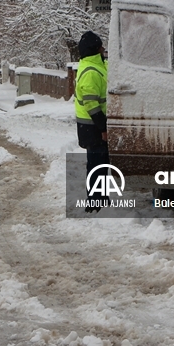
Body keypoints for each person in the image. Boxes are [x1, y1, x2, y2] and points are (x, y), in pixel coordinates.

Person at [74, 31, 109, 211]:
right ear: (95, 50)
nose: (104, 48)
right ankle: (95, 203)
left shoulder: (97, 65)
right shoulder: (90, 72)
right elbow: (91, 105)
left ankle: (101, 199)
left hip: (93, 126)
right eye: (101, 46)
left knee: (101, 164)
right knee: (97, 165)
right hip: (92, 126)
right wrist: (103, 128)